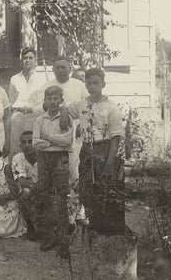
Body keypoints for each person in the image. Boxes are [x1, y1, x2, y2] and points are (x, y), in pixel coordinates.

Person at [30, 56, 88, 225]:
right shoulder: (46, 86)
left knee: (75, 175)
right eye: (58, 68)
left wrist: (75, 123)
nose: (61, 70)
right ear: (53, 69)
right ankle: (55, 217)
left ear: (70, 67)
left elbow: (85, 109)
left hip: (74, 136)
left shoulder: (79, 86)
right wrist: (60, 108)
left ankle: (78, 213)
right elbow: (37, 108)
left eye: (64, 67)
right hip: (52, 141)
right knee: (55, 182)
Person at [67, 68, 125, 234]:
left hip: (104, 149)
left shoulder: (111, 107)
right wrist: (66, 117)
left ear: (103, 84)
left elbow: (116, 137)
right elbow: (67, 111)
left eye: (96, 83)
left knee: (105, 189)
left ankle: (109, 231)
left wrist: (109, 162)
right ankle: (93, 226)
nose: (92, 86)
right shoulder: (82, 104)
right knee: (87, 189)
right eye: (89, 83)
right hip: (87, 149)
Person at [33, 85, 73, 254]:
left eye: (56, 98)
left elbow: (68, 139)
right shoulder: (40, 120)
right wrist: (55, 142)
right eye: (49, 98)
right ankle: (49, 236)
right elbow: (35, 141)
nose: (52, 102)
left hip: (60, 159)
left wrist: (48, 139)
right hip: (44, 160)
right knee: (45, 197)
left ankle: (64, 240)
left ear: (61, 100)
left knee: (61, 199)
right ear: (45, 101)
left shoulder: (65, 119)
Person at [8, 47, 48, 160]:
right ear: (22, 60)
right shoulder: (14, 79)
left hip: (35, 116)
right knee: (17, 146)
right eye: (25, 58)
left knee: (34, 146)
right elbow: (12, 100)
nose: (27, 60)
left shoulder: (42, 79)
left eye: (30, 58)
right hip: (18, 117)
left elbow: (44, 101)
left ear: (35, 60)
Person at [11, 131, 38, 240]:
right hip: (30, 192)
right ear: (20, 146)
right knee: (22, 196)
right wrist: (34, 186)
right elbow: (22, 181)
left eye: (30, 141)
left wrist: (32, 185)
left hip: (44, 191)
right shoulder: (18, 158)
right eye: (24, 142)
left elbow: (47, 180)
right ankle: (30, 227)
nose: (27, 145)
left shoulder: (44, 156)